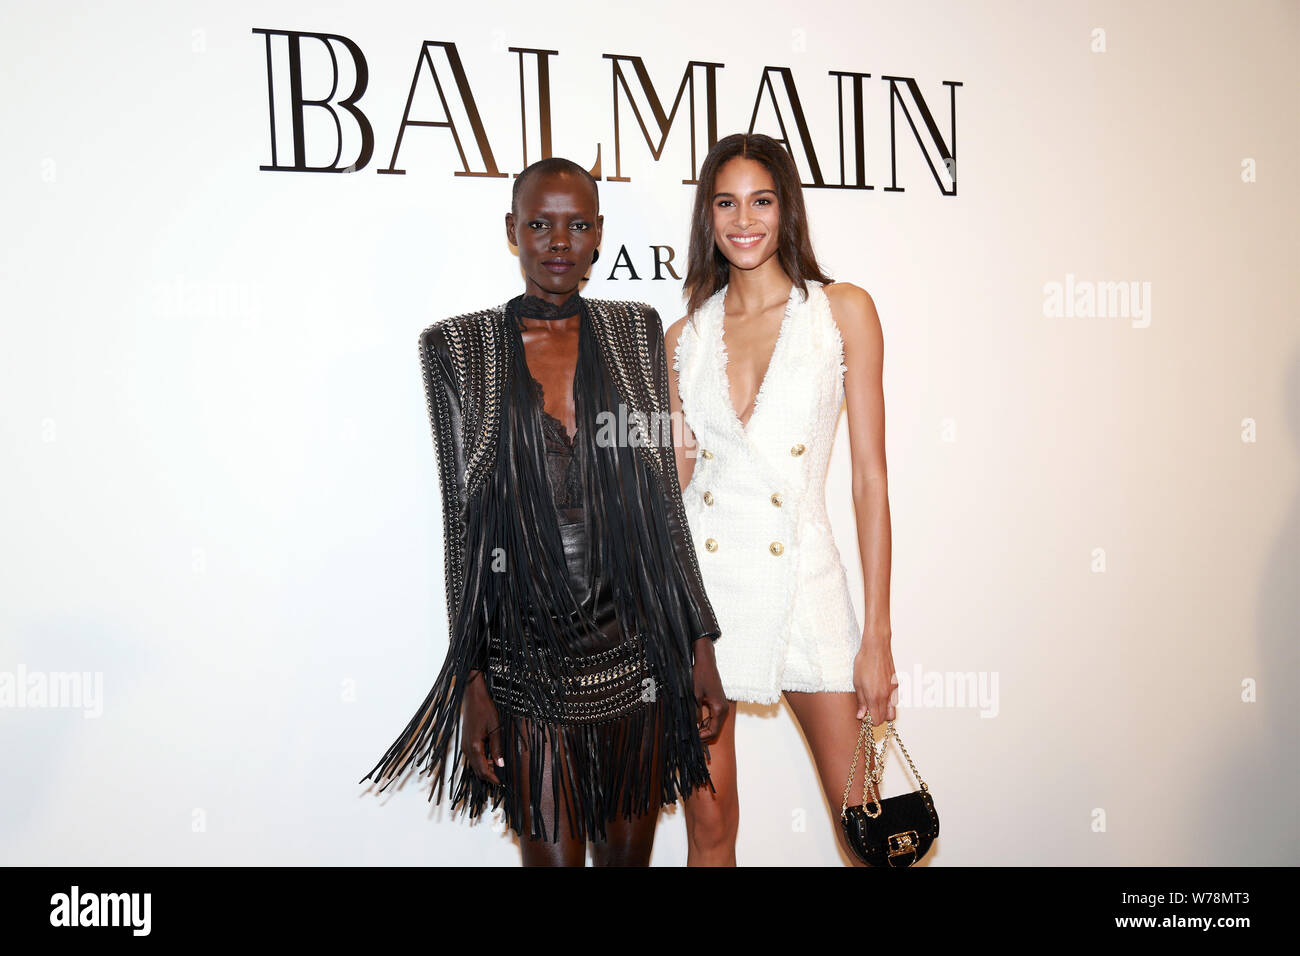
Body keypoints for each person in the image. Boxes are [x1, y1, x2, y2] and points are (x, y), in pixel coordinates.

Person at [361, 157, 729, 867]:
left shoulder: (633, 332)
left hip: (636, 657)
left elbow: (661, 499)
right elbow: (460, 528)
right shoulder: (458, 349)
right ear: (512, 232)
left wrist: (701, 640)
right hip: (527, 668)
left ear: (597, 235)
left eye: (577, 224)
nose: (559, 241)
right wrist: (471, 682)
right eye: (539, 224)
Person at [665, 133, 898, 866]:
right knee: (709, 828)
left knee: (868, 827)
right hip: (703, 597)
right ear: (708, 216)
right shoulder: (685, 336)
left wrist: (878, 637)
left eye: (760, 200)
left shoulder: (843, 311)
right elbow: (673, 483)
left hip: (806, 583)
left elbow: (869, 479)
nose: (743, 219)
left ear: (785, 209)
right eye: (725, 202)